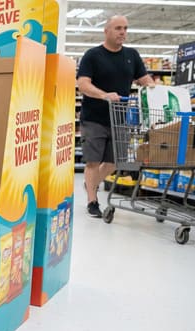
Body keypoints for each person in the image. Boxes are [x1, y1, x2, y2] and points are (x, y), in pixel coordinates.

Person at [77, 15, 154, 218]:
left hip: (119, 118)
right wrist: (104, 95)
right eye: (118, 28)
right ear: (107, 31)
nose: (123, 32)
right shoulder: (92, 55)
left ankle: (90, 184)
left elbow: (144, 79)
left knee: (113, 162)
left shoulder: (132, 55)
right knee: (93, 162)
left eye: (126, 28)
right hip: (94, 117)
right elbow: (83, 84)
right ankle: (92, 201)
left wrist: (157, 89)